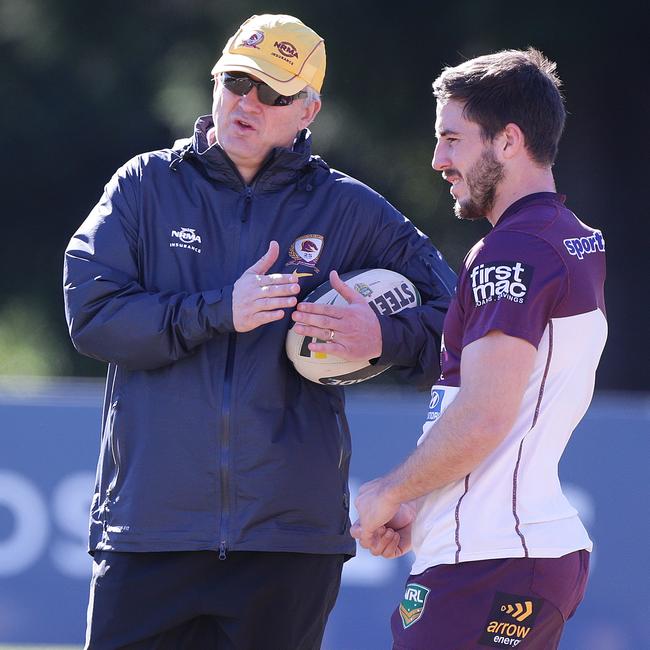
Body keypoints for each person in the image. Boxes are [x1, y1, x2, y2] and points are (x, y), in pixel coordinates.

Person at [63, 13, 456, 650]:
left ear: (308, 110)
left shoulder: (348, 208)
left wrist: (379, 337)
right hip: (150, 535)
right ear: (214, 81)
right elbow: (92, 314)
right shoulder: (143, 187)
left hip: (287, 545)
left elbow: (462, 324)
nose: (248, 102)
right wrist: (219, 310)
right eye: (237, 81)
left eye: (272, 92)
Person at [352, 48, 607, 649]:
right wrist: (429, 503)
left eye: (452, 139)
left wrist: (391, 490)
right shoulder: (570, 239)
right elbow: (518, 414)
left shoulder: (512, 250)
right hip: (514, 552)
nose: (439, 159)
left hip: (489, 562)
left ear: (509, 140)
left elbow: (486, 413)